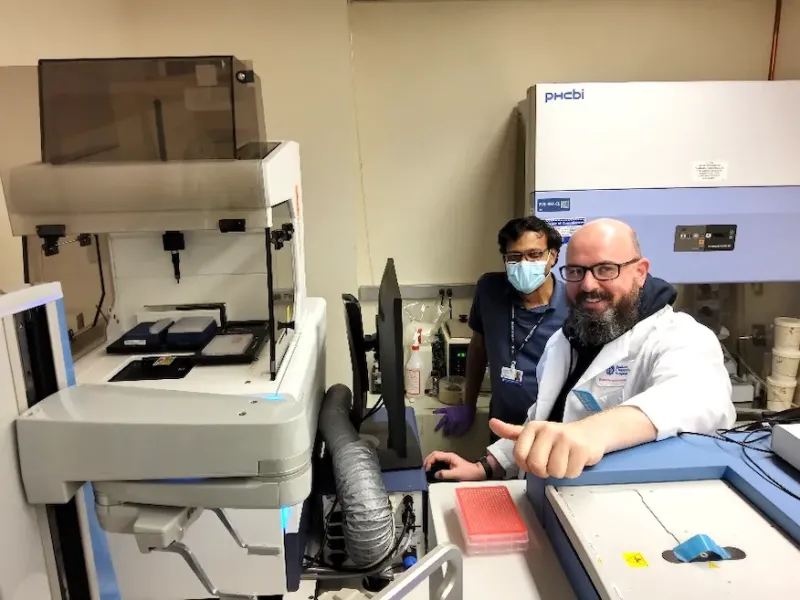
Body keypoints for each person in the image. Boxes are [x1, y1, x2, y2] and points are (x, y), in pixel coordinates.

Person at [425, 218, 736, 481]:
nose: (588, 285)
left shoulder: (678, 335)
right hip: (552, 493)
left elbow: (699, 397)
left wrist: (592, 433)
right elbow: (545, 423)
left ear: (640, 272)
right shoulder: (565, 341)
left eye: (605, 269)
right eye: (576, 272)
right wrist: (485, 466)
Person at [434, 216, 569, 440]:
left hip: (551, 435)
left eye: (534, 254)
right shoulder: (489, 290)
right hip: (501, 427)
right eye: (514, 256)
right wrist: (469, 404)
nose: (524, 263)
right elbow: (478, 348)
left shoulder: (573, 306)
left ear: (552, 256)